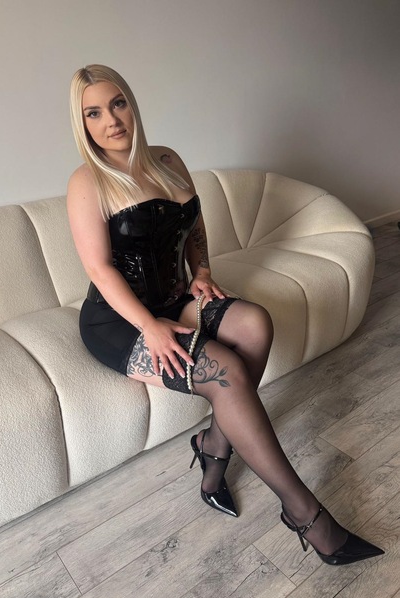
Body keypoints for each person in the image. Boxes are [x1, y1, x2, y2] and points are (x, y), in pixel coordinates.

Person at [67, 64, 384, 566]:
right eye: (94, 113)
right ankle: (305, 513)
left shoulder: (166, 159)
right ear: (82, 123)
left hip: (173, 297)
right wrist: (149, 327)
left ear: (131, 102)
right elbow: (99, 269)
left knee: (256, 323)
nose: (111, 120)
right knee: (228, 372)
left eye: (118, 103)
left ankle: (214, 444)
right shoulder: (88, 181)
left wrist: (202, 270)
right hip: (118, 320)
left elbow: (192, 223)